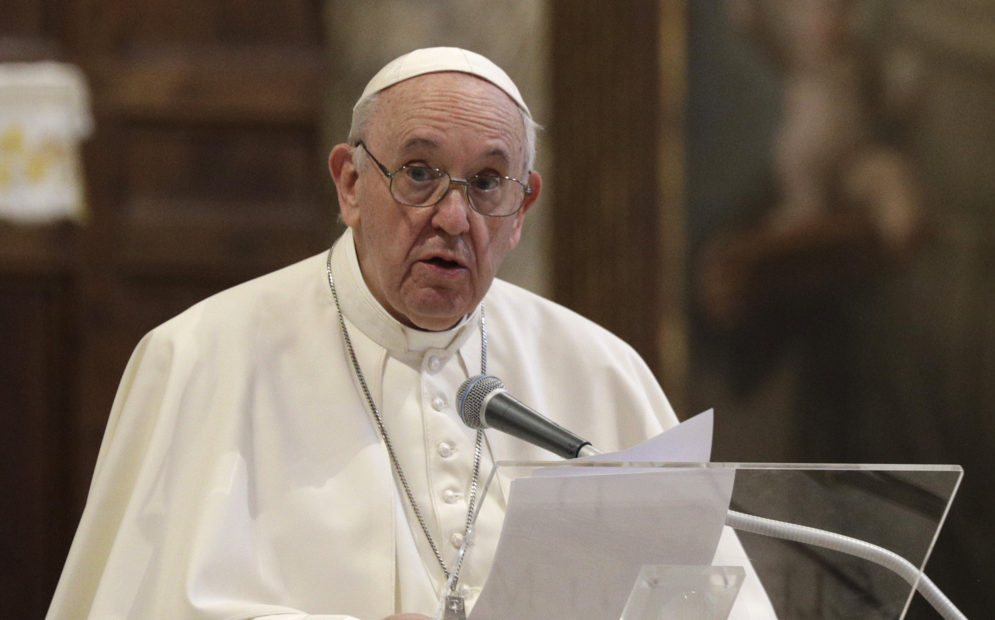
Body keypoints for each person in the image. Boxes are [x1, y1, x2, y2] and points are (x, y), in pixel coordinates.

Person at [46, 47, 774, 619]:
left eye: (487, 183)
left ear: (523, 207)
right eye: (419, 173)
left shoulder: (598, 371)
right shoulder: (201, 358)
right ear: (350, 184)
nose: (453, 218)